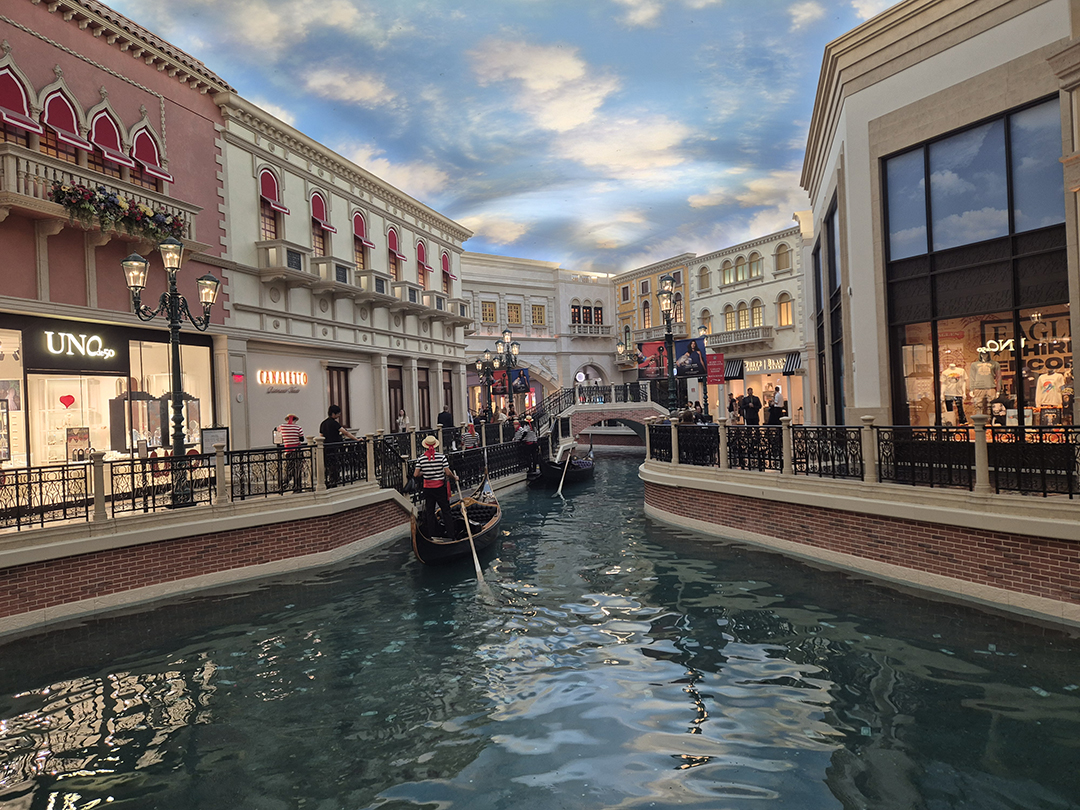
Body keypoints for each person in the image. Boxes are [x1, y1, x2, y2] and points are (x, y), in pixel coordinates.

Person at [413, 435, 459, 538]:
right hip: (439, 488)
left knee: (430, 512)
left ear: (425, 446)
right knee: (446, 511)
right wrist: (454, 477)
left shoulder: (421, 458)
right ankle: (451, 534)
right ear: (435, 445)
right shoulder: (441, 457)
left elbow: (416, 474)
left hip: (428, 489)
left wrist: (424, 472)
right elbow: (447, 472)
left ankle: (432, 535)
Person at [319, 405, 357, 486]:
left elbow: (321, 436)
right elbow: (345, 432)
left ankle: (328, 480)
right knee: (334, 464)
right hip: (334, 447)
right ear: (333, 414)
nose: (339, 415)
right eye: (338, 414)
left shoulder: (323, 423)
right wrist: (356, 439)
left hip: (326, 447)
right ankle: (334, 480)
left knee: (328, 464)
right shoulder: (334, 423)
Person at [277, 413, 305, 491]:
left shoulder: (282, 427)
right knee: (297, 469)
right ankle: (297, 487)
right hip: (297, 450)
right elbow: (302, 439)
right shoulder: (298, 427)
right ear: (295, 420)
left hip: (288, 451)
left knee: (289, 468)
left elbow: (276, 430)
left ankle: (284, 484)